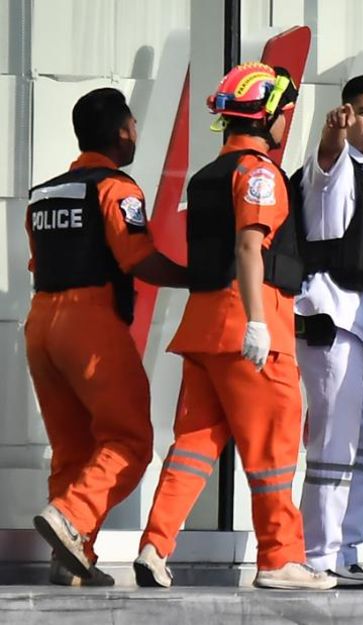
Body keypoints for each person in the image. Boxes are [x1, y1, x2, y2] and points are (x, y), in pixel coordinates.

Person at [133, 62, 334, 590]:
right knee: (273, 450)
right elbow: (249, 246)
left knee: (195, 444)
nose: (289, 123)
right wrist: (257, 324)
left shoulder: (207, 177)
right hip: (250, 326)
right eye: (287, 114)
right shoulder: (259, 173)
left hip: (203, 329)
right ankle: (279, 558)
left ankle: (155, 545)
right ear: (271, 117)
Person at [26, 87, 188, 587]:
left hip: (41, 324)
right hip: (90, 323)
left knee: (72, 447)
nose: (136, 132)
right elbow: (137, 259)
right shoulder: (117, 188)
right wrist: (199, 277)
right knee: (130, 439)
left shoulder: (45, 192)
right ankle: (73, 517)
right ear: (122, 131)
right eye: (134, 124)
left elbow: (39, 261)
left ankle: (73, 561)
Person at [293, 74, 363, 589]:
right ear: (345, 115)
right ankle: (319, 556)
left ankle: (348, 548)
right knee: (332, 445)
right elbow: (323, 167)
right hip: (330, 323)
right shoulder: (334, 169)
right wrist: (330, 138)